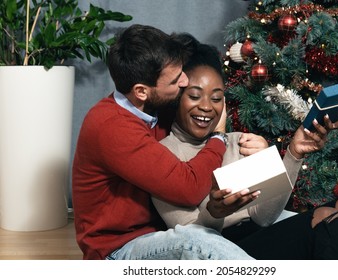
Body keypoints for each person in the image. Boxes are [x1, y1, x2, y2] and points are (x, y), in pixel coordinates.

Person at [151, 34, 338, 259]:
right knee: (322, 218)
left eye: (216, 98)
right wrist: (214, 212)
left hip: (260, 234)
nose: (207, 107)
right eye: (195, 96)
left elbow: (263, 217)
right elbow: (191, 241)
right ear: (176, 99)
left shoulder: (239, 141)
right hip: (222, 249)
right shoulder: (162, 155)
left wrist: (293, 154)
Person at [72, 24, 264, 260]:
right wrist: (219, 135)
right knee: (195, 242)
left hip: (164, 231)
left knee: (287, 221)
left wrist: (259, 151)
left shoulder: (158, 105)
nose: (184, 81)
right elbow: (190, 189)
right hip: (119, 250)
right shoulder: (111, 126)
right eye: (175, 80)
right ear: (141, 91)